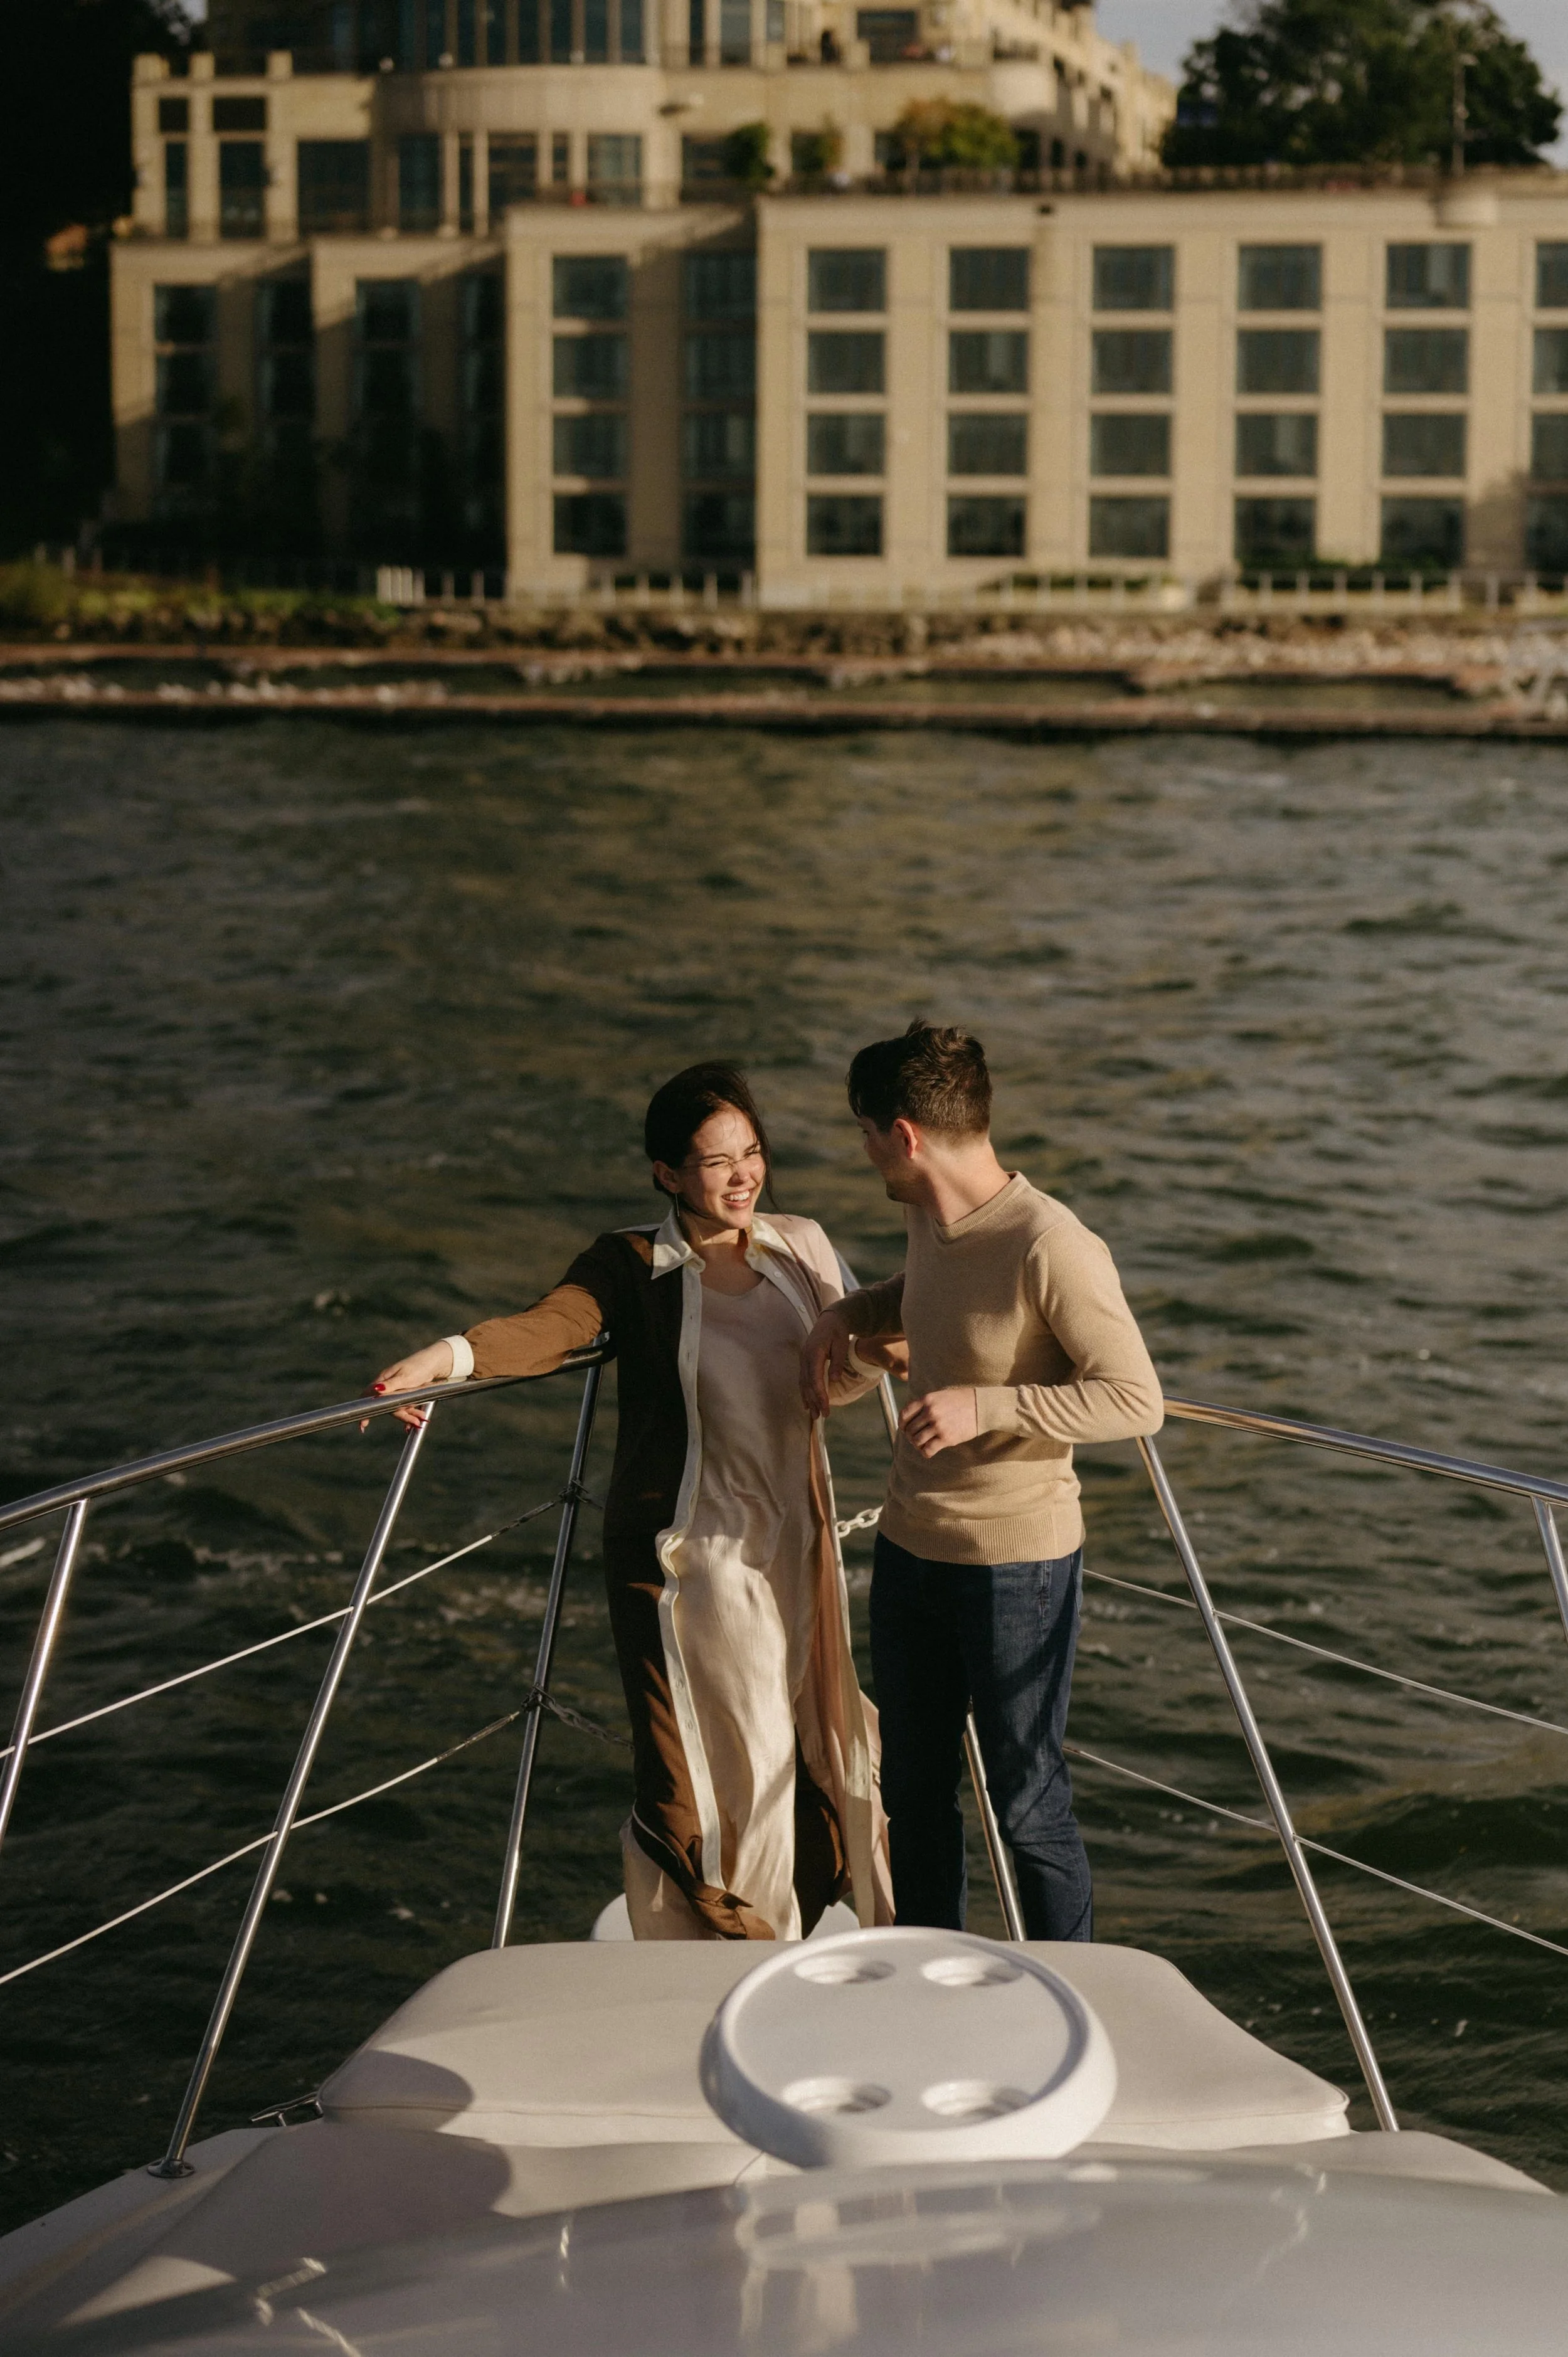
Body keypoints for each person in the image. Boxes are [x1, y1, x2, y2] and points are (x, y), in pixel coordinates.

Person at [373, 1062, 895, 1943]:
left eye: (752, 1152)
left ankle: (798, 1942)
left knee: (824, 1745)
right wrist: (446, 1358)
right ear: (666, 1174)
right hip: (695, 1565)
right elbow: (553, 1326)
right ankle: (737, 1958)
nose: (742, 1176)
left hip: (799, 1548)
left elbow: (837, 1376)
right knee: (737, 1762)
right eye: (715, 1161)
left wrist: (893, 1349)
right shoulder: (633, 1263)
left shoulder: (802, 1246)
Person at [799, 1021, 1163, 1941]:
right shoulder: (930, 1214)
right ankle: (930, 1976)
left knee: (1027, 1803)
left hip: (1016, 1564)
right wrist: (849, 1311)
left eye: (866, 1132)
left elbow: (1136, 1399)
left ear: (906, 1135)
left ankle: (1072, 1989)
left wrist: (986, 1407)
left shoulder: (1053, 1243)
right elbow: (923, 1290)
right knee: (914, 1791)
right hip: (908, 1546)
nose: (865, 1151)